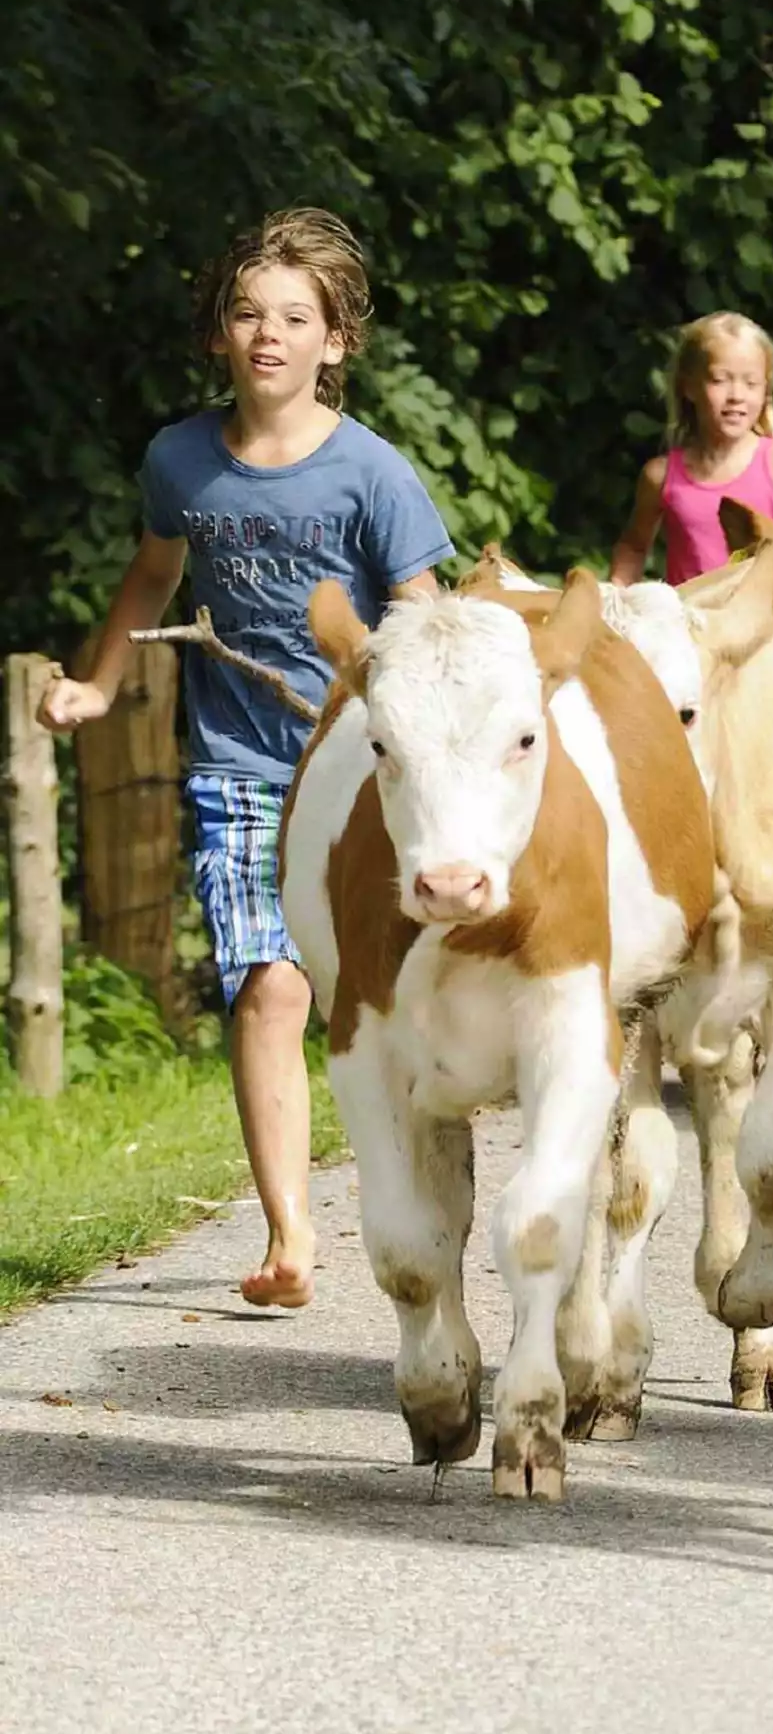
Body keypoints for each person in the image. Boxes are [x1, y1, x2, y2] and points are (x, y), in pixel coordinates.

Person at [40, 209, 455, 1308]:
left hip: (362, 773)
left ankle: (414, 1183)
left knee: (383, 990)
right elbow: (151, 578)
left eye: (294, 318)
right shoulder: (181, 459)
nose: (267, 334)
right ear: (219, 334)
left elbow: (429, 624)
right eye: (246, 313)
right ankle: (287, 1236)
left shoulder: (373, 474)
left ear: (336, 342)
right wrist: (100, 683)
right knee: (270, 986)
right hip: (235, 765)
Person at [609, 311, 773, 586]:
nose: (736, 396)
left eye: (751, 383)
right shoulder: (660, 476)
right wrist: (617, 596)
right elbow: (634, 546)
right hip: (690, 623)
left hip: (766, 624)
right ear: (689, 387)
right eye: (719, 380)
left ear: (765, 393)